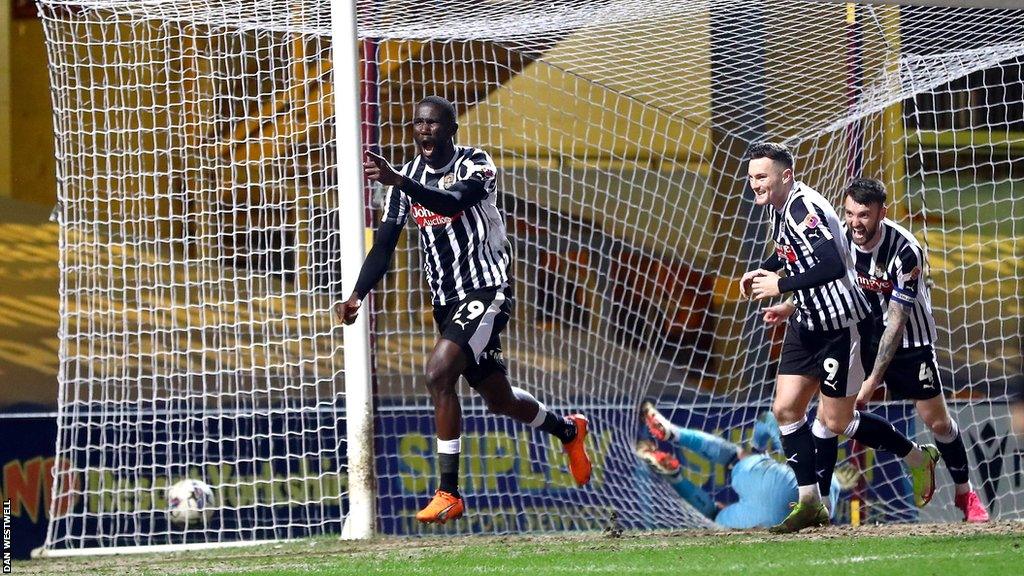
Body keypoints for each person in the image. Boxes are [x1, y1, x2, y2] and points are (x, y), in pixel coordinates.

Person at [335, 96, 591, 524]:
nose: (424, 130)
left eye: (433, 124)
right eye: (418, 123)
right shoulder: (406, 180)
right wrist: (357, 295)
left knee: (438, 372)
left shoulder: (477, 164)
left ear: (451, 129)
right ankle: (568, 430)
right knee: (499, 399)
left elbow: (452, 202)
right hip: (446, 302)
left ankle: (448, 492)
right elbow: (384, 246)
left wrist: (400, 182)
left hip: (487, 289)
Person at [740, 142, 937, 533]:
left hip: (841, 327)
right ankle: (811, 502)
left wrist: (780, 285)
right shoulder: (781, 209)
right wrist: (762, 270)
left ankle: (916, 457)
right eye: (751, 177)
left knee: (836, 420)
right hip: (807, 325)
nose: (755, 185)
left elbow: (830, 262)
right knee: (785, 410)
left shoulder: (803, 208)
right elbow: (788, 252)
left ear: (786, 176)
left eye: (762, 177)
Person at [637, 402, 853, 529]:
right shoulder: (829, 490)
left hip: (775, 484)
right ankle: (674, 474)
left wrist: (756, 449)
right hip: (783, 522)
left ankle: (674, 433)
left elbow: (767, 418)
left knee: (735, 456)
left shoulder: (811, 458)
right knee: (714, 516)